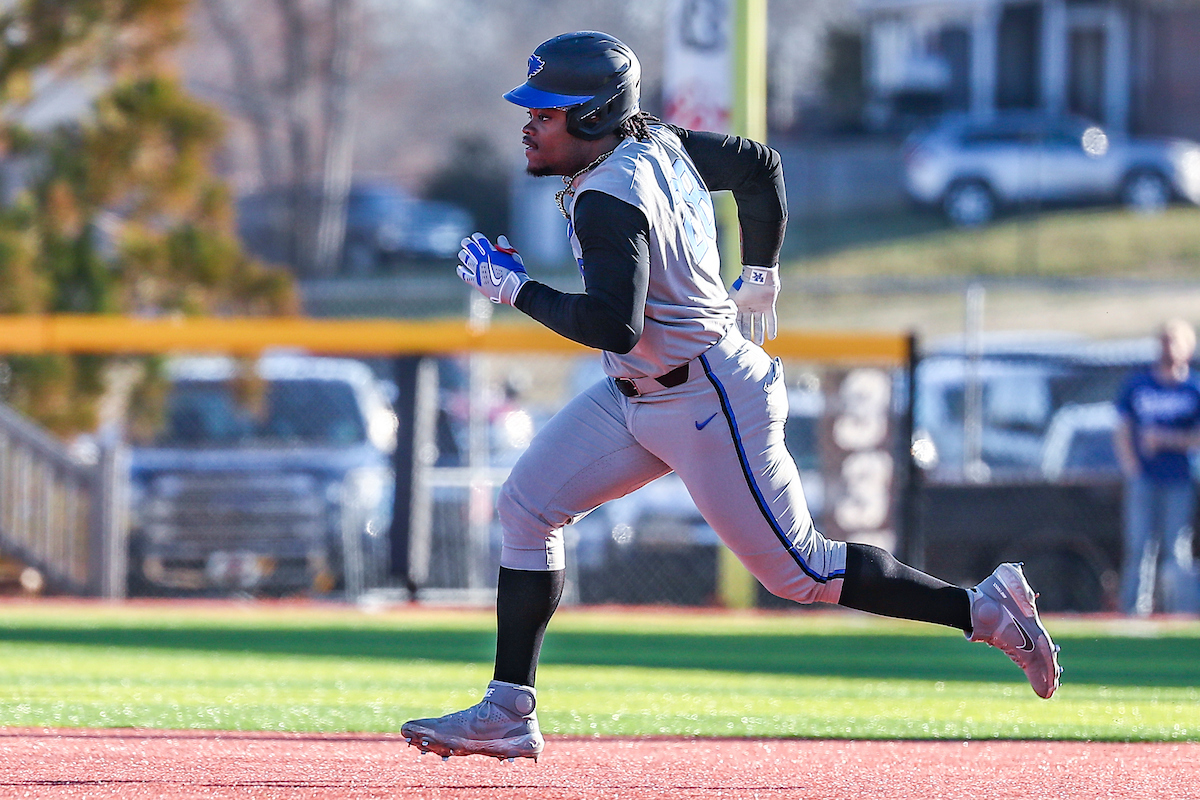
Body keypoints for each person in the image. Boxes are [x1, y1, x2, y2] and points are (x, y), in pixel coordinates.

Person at [402, 31, 1061, 763]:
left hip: (705, 396)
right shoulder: (655, 141)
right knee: (527, 505)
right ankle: (508, 708)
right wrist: (763, 269)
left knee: (804, 573)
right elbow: (758, 166)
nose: (528, 124)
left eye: (546, 113)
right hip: (641, 392)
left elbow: (611, 323)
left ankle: (986, 611)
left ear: (592, 118)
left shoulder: (607, 197)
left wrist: (513, 288)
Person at [1113, 318, 1200, 616]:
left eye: (1175, 340)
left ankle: (1182, 614)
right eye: (1163, 340)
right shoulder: (1138, 385)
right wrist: (1131, 466)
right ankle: (1134, 614)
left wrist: (1166, 439)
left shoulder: (1193, 389)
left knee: (1176, 550)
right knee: (1139, 547)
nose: (1168, 346)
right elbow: (1122, 428)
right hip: (1144, 479)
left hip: (1179, 479)